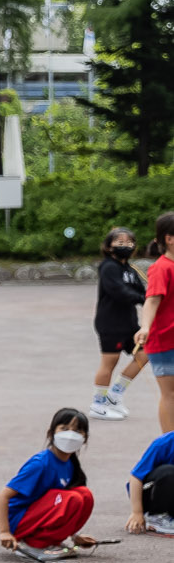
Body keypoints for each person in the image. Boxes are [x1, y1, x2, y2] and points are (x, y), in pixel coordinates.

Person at [0, 409, 102, 561]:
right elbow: (3, 496)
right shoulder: (40, 464)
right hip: (19, 519)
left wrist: (74, 536)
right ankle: (34, 544)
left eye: (78, 430)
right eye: (64, 429)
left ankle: (51, 541)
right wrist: (5, 532)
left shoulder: (70, 464)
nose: (71, 434)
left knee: (85, 495)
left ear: (85, 438)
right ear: (51, 433)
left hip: (36, 515)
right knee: (73, 498)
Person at [119, 211, 174, 431]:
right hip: (164, 339)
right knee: (170, 394)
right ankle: (169, 445)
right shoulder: (161, 268)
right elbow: (152, 301)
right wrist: (145, 327)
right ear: (169, 239)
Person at [93, 226, 144, 419]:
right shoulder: (108, 267)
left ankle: (115, 394)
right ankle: (97, 404)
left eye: (129, 242)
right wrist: (143, 298)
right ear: (109, 246)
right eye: (120, 242)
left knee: (145, 353)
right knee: (109, 362)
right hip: (110, 323)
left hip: (130, 323)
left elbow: (143, 291)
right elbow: (118, 291)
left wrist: (151, 298)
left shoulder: (130, 269)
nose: (126, 246)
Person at [121, 426, 174, 535]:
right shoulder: (164, 443)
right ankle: (155, 516)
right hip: (150, 493)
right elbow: (135, 478)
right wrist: (137, 512)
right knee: (168, 472)